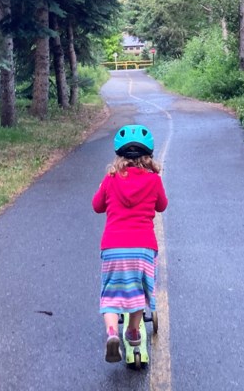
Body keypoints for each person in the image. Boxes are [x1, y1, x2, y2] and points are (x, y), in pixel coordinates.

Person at [92, 124, 168, 363]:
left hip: (113, 247)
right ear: (149, 156)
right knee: (138, 294)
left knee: (112, 294)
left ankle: (112, 333)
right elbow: (162, 206)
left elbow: (97, 206)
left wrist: (105, 186)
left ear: (119, 155)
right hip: (143, 248)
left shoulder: (111, 178)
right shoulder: (154, 180)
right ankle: (133, 332)